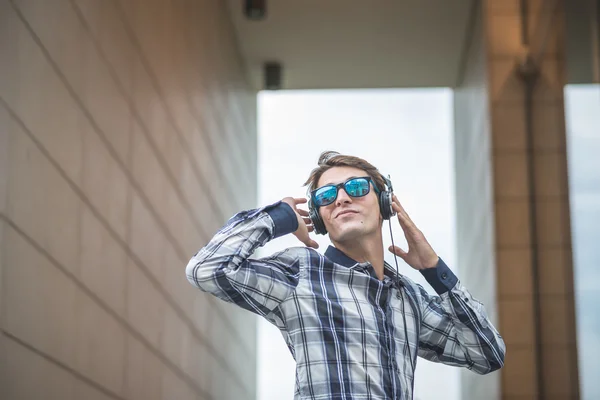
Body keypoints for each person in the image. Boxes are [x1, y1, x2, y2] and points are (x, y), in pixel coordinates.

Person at [185, 151, 505, 399]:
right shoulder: (300, 274)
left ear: (385, 203)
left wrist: (435, 269)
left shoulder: (409, 297)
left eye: (355, 187)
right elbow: (207, 269)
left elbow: (487, 354)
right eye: (326, 196)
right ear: (319, 218)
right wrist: (278, 217)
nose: (341, 198)